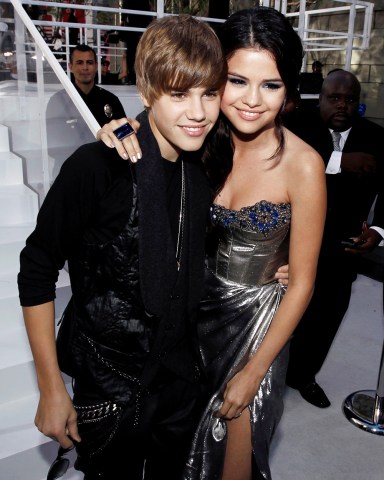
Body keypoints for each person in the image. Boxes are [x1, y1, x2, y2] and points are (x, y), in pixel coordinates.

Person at [99, 7, 326, 479]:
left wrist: (253, 373)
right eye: (238, 81)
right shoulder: (197, 140)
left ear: (290, 91)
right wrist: (118, 130)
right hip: (186, 319)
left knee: (231, 462)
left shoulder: (302, 165)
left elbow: (302, 282)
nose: (252, 100)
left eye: (272, 85)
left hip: (254, 333)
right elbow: (155, 121)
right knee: (172, 454)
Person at [18, 15, 228, 480]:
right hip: (110, 386)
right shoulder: (98, 167)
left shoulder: (208, 160)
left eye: (209, 93)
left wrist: (277, 263)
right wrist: (51, 387)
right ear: (148, 90)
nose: (198, 112)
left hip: (181, 379)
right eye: (178, 94)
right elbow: (36, 267)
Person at [284, 69, 384, 408]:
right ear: (321, 99)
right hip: (289, 241)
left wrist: (378, 230)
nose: (342, 105)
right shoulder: (297, 125)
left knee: (326, 317)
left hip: (344, 246)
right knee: (282, 312)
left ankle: (303, 376)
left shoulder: (376, 137)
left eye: (350, 99)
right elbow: (284, 163)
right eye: (335, 98)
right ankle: (265, 371)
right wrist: (339, 160)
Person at [46, 44, 126, 179]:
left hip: (105, 173)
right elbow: (52, 148)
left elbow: (124, 135)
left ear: (96, 66)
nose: (85, 67)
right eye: (79, 63)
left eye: (89, 62)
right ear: (70, 67)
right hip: (70, 173)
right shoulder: (58, 101)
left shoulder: (111, 100)